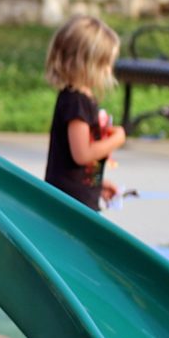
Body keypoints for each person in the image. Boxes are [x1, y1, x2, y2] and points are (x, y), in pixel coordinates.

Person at [42, 14, 126, 209]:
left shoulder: (80, 98)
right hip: (70, 205)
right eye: (105, 64)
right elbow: (82, 154)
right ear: (87, 64)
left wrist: (97, 185)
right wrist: (117, 138)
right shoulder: (76, 102)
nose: (108, 71)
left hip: (75, 198)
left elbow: (75, 165)